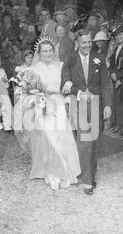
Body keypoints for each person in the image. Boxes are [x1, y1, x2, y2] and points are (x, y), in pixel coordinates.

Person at [15, 38, 81, 190]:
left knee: (63, 137)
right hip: (42, 105)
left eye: (50, 50)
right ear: (39, 53)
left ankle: (69, 168)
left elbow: (68, 80)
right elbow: (24, 91)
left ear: (54, 51)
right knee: (49, 138)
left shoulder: (61, 66)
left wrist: (68, 84)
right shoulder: (33, 69)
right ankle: (52, 171)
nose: (48, 53)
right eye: (44, 51)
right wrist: (35, 97)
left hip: (58, 104)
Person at [61, 29, 112, 195]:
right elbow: (65, 84)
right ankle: (87, 181)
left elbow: (105, 83)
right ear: (78, 43)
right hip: (79, 104)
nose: (87, 45)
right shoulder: (70, 59)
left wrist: (108, 105)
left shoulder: (99, 59)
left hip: (96, 104)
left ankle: (91, 174)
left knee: (94, 143)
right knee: (85, 143)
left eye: (89, 42)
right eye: (84, 42)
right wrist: (79, 93)